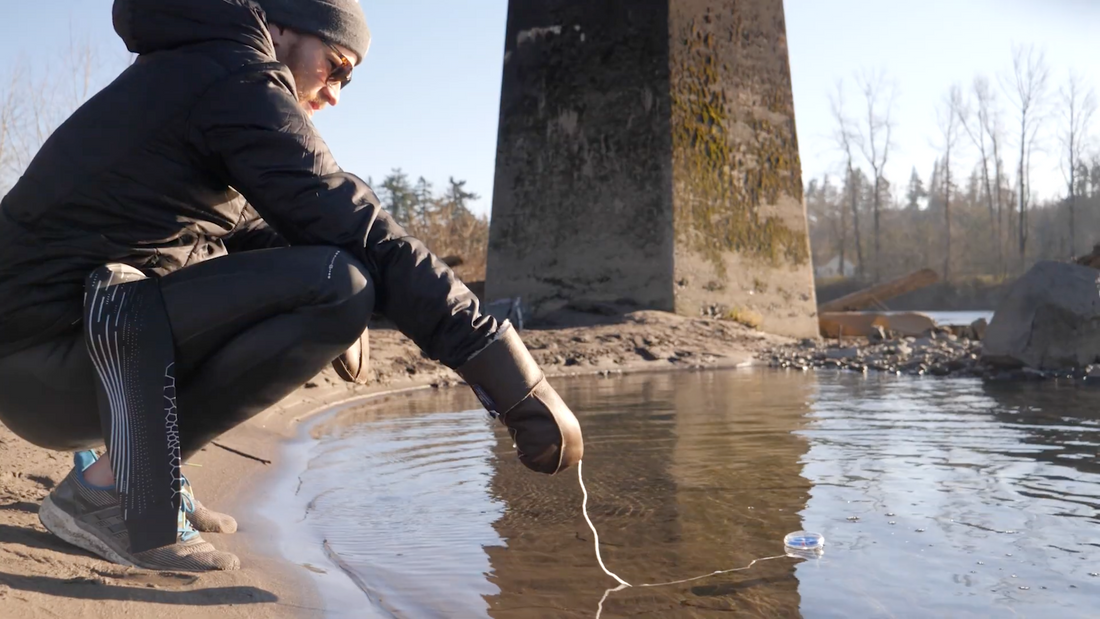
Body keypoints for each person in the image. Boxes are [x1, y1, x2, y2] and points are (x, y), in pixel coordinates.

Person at [0, 0, 583, 572]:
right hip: (44, 361)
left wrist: (356, 284)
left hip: (61, 358)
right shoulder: (233, 78)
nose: (335, 92)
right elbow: (357, 226)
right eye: (337, 66)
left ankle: (148, 469)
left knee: (339, 275)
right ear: (280, 28)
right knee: (336, 285)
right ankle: (117, 488)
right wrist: (510, 376)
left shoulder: (202, 72)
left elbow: (272, 227)